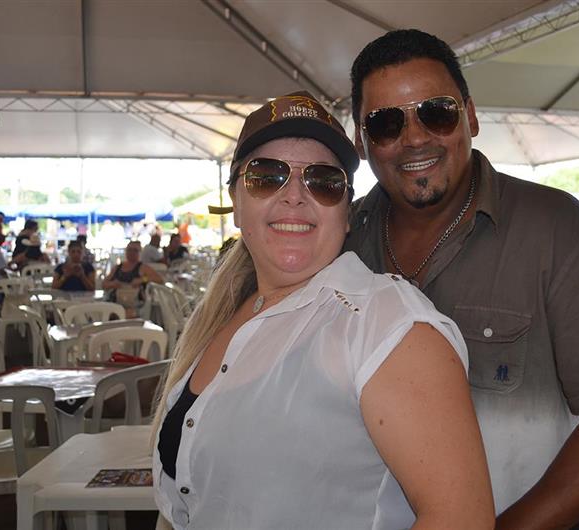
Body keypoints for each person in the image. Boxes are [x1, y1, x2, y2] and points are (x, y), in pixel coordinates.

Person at [344, 29, 579, 527]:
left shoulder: (560, 230)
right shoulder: (343, 243)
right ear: (361, 142)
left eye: (436, 113)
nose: (414, 138)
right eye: (386, 123)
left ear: (471, 117)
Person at [152, 91, 494, 530]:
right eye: (267, 176)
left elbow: (461, 518)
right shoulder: (227, 316)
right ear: (236, 202)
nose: (295, 195)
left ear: (347, 213)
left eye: (324, 181)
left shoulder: (385, 324)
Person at [103, 241, 164, 317]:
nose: (131, 253)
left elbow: (160, 280)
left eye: (135, 250)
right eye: (129, 250)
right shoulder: (117, 267)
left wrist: (142, 279)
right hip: (115, 302)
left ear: (139, 252)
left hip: (134, 305)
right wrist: (113, 284)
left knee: (126, 313)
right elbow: (104, 284)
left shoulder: (143, 267)